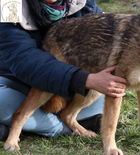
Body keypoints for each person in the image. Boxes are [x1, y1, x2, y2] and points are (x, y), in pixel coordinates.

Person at [0, 0, 127, 141]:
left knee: (100, 98)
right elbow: (24, 59)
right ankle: (60, 129)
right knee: (2, 101)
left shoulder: (84, 4)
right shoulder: (8, 5)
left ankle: (31, 124)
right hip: (17, 82)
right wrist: (85, 79)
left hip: (71, 86)